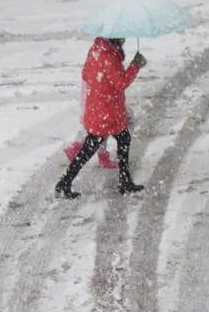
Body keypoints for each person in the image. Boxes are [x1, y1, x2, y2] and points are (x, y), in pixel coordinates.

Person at [54, 37, 147, 199]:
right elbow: (121, 83)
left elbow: (85, 74)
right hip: (108, 111)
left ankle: (124, 181)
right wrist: (136, 65)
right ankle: (65, 183)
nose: (125, 39)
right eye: (122, 36)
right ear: (114, 38)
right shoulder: (109, 57)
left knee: (122, 139)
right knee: (90, 148)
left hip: (100, 108)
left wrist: (101, 85)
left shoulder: (96, 50)